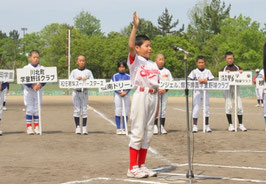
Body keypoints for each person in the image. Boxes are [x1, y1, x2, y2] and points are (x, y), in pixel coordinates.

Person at [126, 11, 159, 178]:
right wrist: (134, 27)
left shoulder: (154, 65)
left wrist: (158, 106)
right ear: (139, 48)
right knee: (138, 130)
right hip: (141, 95)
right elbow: (131, 46)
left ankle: (142, 165)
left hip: (153, 97)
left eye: (150, 45)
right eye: (147, 45)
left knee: (148, 132)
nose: (150, 48)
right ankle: (132, 167)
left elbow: (157, 86)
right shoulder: (135, 61)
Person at [220, 51, 247, 132]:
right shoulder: (223, 69)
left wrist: (241, 73)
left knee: (239, 106)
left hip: (236, 87)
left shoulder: (238, 67)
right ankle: (231, 124)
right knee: (228, 106)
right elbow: (221, 78)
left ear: (233, 58)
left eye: (231, 58)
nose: (230, 60)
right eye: (228, 58)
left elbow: (244, 77)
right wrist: (225, 73)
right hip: (227, 88)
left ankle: (241, 124)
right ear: (225, 59)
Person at [188, 56, 214, 133]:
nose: (201, 64)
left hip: (205, 91)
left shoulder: (208, 71)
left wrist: (207, 79)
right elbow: (190, 79)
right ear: (197, 63)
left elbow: (212, 78)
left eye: (202, 62)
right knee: (196, 108)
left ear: (205, 63)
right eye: (199, 62)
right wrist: (196, 80)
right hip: (197, 92)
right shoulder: (194, 71)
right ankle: (195, 126)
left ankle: (207, 126)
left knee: (206, 108)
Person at [70, 55, 94, 135]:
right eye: (80, 60)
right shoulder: (74, 72)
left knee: (84, 109)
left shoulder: (88, 72)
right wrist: (76, 80)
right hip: (76, 92)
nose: (82, 62)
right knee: (76, 109)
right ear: (77, 62)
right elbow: (70, 82)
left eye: (83, 60)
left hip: (85, 92)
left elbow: (92, 81)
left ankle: (84, 127)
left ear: (85, 62)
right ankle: (77, 127)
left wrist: (86, 80)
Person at [23, 50, 46, 135]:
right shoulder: (26, 68)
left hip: (38, 91)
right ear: (30, 58)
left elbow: (46, 79)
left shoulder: (42, 68)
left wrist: (40, 85)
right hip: (29, 91)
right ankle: (29, 127)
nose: (36, 59)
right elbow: (23, 79)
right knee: (30, 108)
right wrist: (32, 86)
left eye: (37, 57)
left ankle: (36, 126)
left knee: (37, 109)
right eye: (34, 57)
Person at [153, 54, 173, 134]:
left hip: (164, 93)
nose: (161, 61)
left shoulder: (167, 71)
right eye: (159, 59)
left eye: (162, 60)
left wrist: (165, 89)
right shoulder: (152, 70)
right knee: (155, 109)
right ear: (155, 61)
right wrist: (157, 89)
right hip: (155, 93)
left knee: (163, 109)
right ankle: (154, 126)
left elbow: (171, 82)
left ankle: (162, 126)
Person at [111, 60, 130, 135]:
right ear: (118, 67)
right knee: (118, 111)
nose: (122, 68)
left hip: (126, 95)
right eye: (120, 67)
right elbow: (112, 85)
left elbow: (130, 86)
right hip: (118, 96)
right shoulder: (115, 76)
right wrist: (119, 92)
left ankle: (125, 128)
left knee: (125, 111)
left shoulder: (128, 76)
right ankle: (118, 128)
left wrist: (126, 92)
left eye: (123, 67)